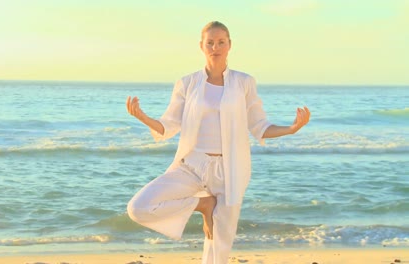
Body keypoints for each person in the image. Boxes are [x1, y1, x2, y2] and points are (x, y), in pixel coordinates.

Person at [126, 21, 310, 264]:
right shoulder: (187, 83)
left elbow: (260, 127)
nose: (215, 47)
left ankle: (208, 210)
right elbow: (169, 125)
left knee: (218, 250)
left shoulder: (244, 83)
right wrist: (144, 118)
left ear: (230, 45)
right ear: (201, 46)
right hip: (191, 166)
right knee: (139, 207)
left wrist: (292, 128)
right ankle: (203, 205)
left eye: (221, 42)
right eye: (210, 42)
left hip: (229, 172)